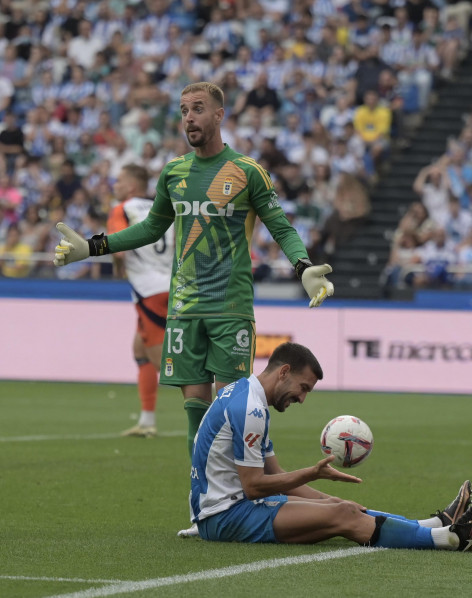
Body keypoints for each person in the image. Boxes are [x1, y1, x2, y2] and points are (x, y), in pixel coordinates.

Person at [52, 82, 335, 535]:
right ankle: (204, 509)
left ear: (220, 115)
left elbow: (279, 224)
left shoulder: (247, 171)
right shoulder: (174, 173)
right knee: (196, 414)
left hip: (230, 307)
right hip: (184, 309)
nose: (189, 117)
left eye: (198, 109)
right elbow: (149, 229)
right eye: (184, 110)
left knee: (237, 410)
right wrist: (92, 246)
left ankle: (257, 495)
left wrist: (303, 266)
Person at [189, 341, 472, 551]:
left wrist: (325, 497)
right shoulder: (250, 410)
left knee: (340, 507)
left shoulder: (247, 397)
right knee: (343, 515)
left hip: (233, 508)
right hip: (225, 517)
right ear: (284, 372)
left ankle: (436, 524)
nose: (302, 398)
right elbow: (255, 486)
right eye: (302, 388)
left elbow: (277, 477)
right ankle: (451, 539)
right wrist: (312, 474)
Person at [107, 164, 175, 439]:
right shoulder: (165, 208)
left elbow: (117, 246)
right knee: (139, 349)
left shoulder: (121, 209)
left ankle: (218, 416)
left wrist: (116, 264)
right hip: (175, 286)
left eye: (120, 181)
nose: (115, 184)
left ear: (132, 187)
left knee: (166, 365)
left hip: (149, 290)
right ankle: (147, 421)